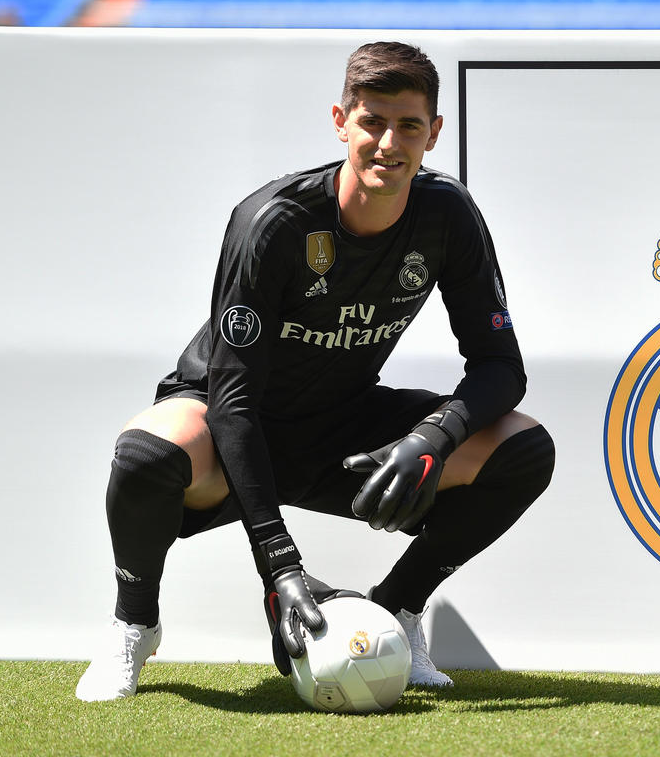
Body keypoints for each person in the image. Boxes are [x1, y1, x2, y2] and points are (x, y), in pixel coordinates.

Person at [75, 41, 556, 702]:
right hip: (230, 425)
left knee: (523, 447)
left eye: (409, 125)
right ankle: (133, 624)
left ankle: (398, 608)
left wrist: (430, 440)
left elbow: (502, 368)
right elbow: (233, 404)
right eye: (372, 122)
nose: (390, 143)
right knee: (146, 452)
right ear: (340, 121)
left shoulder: (448, 216)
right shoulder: (273, 222)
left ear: (434, 133)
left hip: (342, 427)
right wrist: (280, 569)